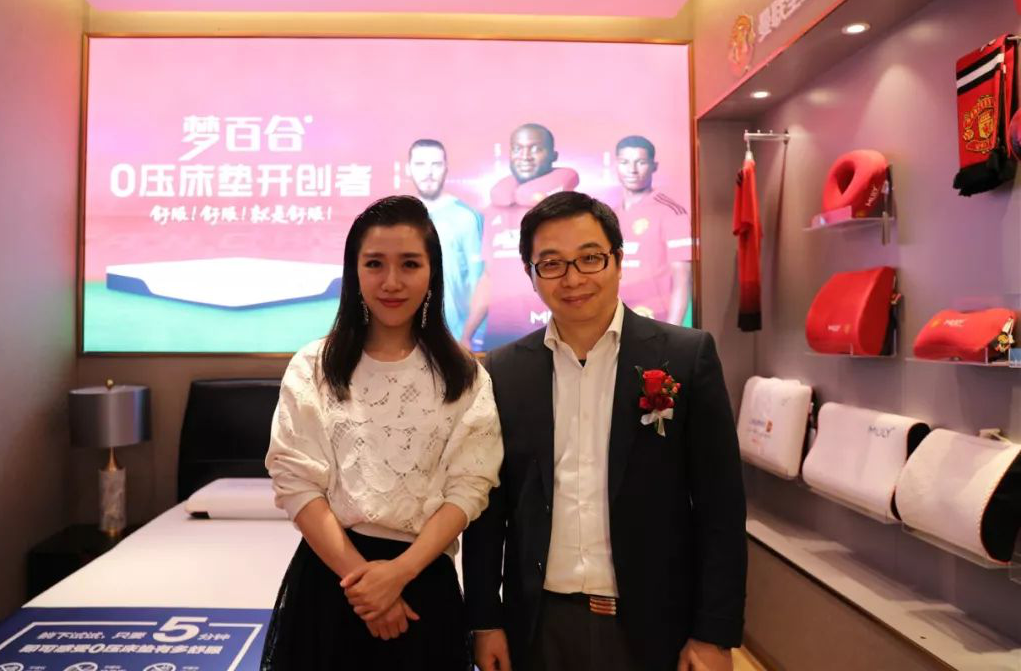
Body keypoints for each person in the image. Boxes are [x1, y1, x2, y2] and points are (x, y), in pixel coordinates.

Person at [464, 191, 746, 671]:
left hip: (654, 624)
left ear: (617, 260)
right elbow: (489, 512)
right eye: (551, 264)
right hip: (539, 624)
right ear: (532, 275)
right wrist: (485, 621)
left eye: (590, 258)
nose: (573, 278)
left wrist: (714, 635)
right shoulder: (504, 371)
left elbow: (720, 507)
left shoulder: (684, 356)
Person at [262, 195, 503, 670]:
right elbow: (296, 482)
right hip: (333, 583)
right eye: (375, 264)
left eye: (409, 264)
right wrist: (365, 583)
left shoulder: (464, 376)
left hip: (423, 585)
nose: (392, 281)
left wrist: (399, 575)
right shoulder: (313, 367)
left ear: (431, 272)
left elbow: (470, 488)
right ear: (354, 272)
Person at [462, 123, 579, 348]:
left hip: (553, 335)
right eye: (517, 148)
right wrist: (467, 334)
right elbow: (489, 277)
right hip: (499, 336)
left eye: (535, 148)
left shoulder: (572, 210)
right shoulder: (493, 211)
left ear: (553, 155)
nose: (525, 156)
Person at [405, 139, 486, 349]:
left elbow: (480, 283)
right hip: (405, 342)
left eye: (436, 164)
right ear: (408, 169)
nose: (428, 172)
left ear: (446, 169)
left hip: (455, 341)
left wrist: (468, 337)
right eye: (420, 164)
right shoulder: (398, 218)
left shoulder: (467, 217)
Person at [614, 135, 693, 326]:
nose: (632, 170)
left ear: (654, 166)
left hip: (656, 321)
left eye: (640, 162)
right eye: (625, 162)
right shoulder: (610, 215)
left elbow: (683, 278)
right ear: (616, 166)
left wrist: (673, 331)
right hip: (616, 321)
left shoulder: (672, 212)